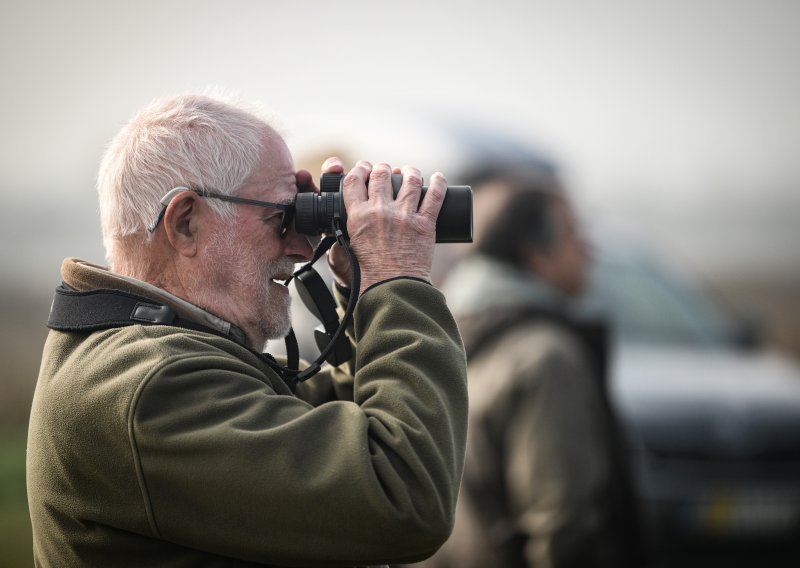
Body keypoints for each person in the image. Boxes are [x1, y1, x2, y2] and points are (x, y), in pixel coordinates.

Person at [26, 92, 468, 567]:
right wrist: (395, 276)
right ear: (186, 224)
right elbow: (400, 493)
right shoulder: (147, 385)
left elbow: (351, 418)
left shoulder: (164, 355)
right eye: (281, 217)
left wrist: (360, 280)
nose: (302, 247)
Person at [414, 165, 644, 568]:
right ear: (536, 255)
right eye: (575, 235)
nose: (590, 251)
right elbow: (562, 525)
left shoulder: (438, 338)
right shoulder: (545, 358)